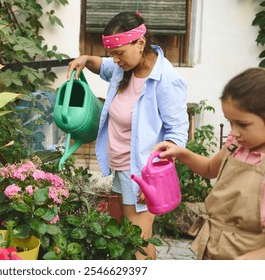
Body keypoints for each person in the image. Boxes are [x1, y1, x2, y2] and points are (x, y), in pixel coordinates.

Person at [66, 11, 189, 259]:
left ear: (140, 43)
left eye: (119, 53)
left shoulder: (166, 80)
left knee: (137, 242)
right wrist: (85, 59)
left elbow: (177, 133)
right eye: (112, 53)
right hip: (124, 168)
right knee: (136, 238)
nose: (115, 59)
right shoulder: (124, 68)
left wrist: (153, 178)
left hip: (144, 173)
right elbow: (101, 65)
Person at [154, 68, 265, 260]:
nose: (235, 132)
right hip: (213, 248)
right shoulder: (235, 146)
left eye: (243, 124)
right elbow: (209, 169)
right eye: (230, 123)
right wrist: (181, 153)